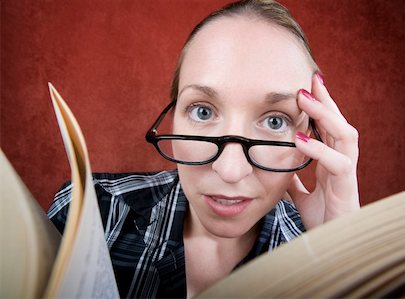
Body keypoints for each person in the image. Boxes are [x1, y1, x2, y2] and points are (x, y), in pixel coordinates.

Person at [48, 0, 360, 298]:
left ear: (307, 144)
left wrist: (344, 265)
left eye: (276, 121)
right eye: (203, 112)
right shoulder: (89, 211)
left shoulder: (318, 264)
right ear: (174, 121)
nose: (229, 170)